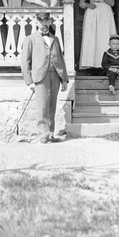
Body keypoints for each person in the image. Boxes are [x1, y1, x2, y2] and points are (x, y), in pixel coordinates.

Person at [18, 10, 69, 143]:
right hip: (40, 77)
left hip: (55, 76)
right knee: (42, 106)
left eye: (46, 20)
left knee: (52, 105)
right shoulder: (30, 39)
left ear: (50, 21)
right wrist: (29, 81)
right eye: (41, 21)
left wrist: (64, 79)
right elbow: (25, 62)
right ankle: (42, 135)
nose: (44, 23)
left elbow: (60, 59)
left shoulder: (55, 38)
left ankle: (50, 134)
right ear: (36, 22)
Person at [78, 0, 116, 71]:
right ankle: (91, 64)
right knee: (92, 37)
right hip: (92, 12)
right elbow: (81, 3)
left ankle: (107, 63)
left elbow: (112, 3)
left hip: (105, 12)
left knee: (104, 37)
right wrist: (89, 5)